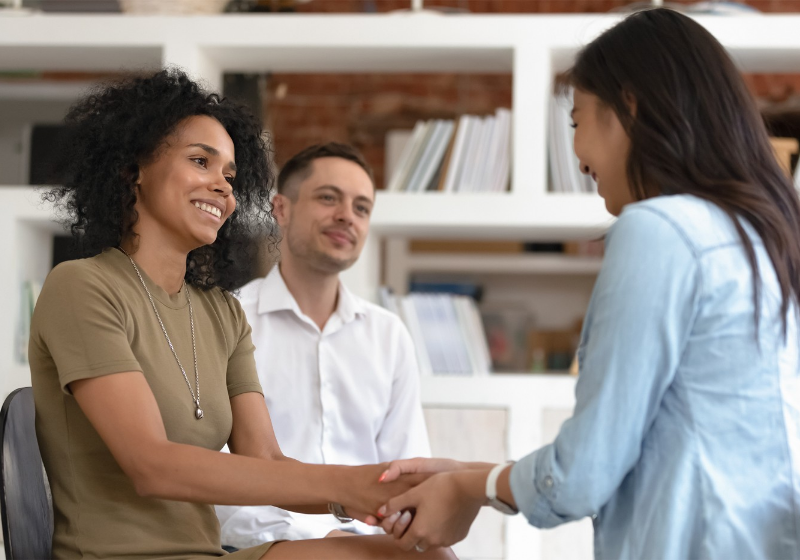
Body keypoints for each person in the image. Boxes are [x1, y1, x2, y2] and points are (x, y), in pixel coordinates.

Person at [375, 8, 800, 559]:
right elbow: (660, 448)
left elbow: (582, 476)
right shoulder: (761, 235)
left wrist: (470, 488)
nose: (577, 158)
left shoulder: (660, 230)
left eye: (576, 122)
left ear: (630, 106)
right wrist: (477, 476)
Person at [29, 68, 454, 560]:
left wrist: (369, 500)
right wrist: (350, 484)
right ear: (133, 169)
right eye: (200, 162)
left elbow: (267, 459)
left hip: (213, 555)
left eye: (230, 175)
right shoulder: (83, 286)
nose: (222, 188)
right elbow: (152, 466)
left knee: (426, 555)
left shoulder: (222, 313)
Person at [215, 143, 431, 547]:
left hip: (373, 548)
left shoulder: (389, 334)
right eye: (328, 198)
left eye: (362, 208)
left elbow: (406, 472)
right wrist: (324, 541)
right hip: (265, 547)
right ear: (281, 209)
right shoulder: (230, 320)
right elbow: (218, 481)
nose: (346, 216)